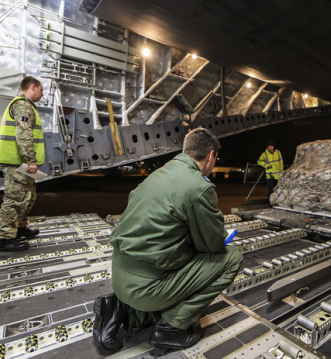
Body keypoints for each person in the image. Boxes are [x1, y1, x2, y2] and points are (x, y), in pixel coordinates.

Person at [93, 128, 243, 354]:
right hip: (146, 290)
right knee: (231, 258)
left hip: (119, 278)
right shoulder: (199, 187)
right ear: (211, 156)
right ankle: (171, 329)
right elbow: (211, 246)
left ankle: (117, 309)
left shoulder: (157, 174)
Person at [0, 76, 45, 252]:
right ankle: (5, 239)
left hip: (19, 161)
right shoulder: (22, 105)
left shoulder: (24, 105)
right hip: (17, 161)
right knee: (14, 200)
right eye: (41, 90)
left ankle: (20, 228)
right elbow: (23, 135)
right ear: (33, 87)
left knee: (27, 197)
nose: (42, 94)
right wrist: (30, 160)